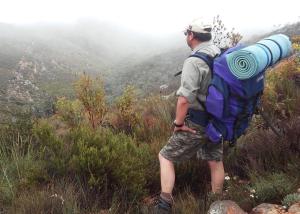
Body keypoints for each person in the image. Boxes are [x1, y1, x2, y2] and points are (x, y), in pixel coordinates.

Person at [154, 19, 223, 213]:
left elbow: (185, 99)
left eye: (187, 34)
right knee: (215, 160)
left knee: (165, 157)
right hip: (217, 120)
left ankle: (164, 205)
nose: (186, 37)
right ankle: (217, 204)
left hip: (197, 122)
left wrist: (178, 124)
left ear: (191, 35)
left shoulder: (194, 61)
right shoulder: (218, 53)